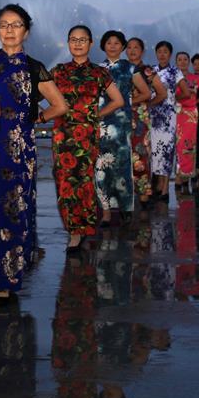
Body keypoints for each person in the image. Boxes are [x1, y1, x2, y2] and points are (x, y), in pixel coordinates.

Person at [0, 4, 67, 303]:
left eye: (16, 25)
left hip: (18, 150)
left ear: (26, 31)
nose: (9, 30)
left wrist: (34, 119)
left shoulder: (34, 67)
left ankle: (10, 279)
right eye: (3, 24)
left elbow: (60, 106)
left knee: (15, 211)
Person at [49, 25, 124, 251]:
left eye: (83, 40)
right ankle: (72, 229)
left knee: (83, 180)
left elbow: (118, 101)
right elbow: (41, 96)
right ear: (68, 43)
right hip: (62, 133)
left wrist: (94, 115)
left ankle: (83, 228)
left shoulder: (99, 73)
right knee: (63, 181)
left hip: (87, 135)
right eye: (73, 39)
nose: (78, 43)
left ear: (91, 44)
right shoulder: (58, 71)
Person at [95, 30, 150, 226]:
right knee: (102, 166)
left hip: (122, 123)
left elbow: (146, 92)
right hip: (100, 122)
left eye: (117, 43)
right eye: (108, 42)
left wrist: (127, 102)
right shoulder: (97, 69)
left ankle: (126, 208)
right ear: (103, 45)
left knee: (122, 165)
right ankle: (106, 212)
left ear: (122, 46)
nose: (112, 46)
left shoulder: (129, 68)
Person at [126, 38, 167, 209]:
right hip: (121, 116)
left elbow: (162, 93)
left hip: (140, 118)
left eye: (136, 47)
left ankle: (143, 195)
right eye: (129, 47)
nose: (132, 50)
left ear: (142, 51)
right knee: (124, 156)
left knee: (140, 155)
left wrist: (147, 105)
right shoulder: (122, 68)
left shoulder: (147, 70)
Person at [148, 41, 189, 201]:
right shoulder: (150, 71)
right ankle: (154, 186)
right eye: (159, 51)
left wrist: (171, 99)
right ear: (156, 53)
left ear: (170, 54)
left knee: (166, 152)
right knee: (153, 151)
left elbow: (186, 92)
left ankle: (164, 190)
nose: (162, 54)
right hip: (152, 115)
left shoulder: (175, 71)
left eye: (165, 51)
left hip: (167, 118)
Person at [173, 52, 199, 192]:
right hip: (174, 113)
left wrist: (195, 102)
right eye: (179, 59)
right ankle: (177, 176)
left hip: (190, 114)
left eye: (185, 59)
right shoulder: (171, 76)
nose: (182, 62)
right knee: (175, 144)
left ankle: (185, 176)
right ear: (176, 62)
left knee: (188, 144)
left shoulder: (195, 78)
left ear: (189, 62)